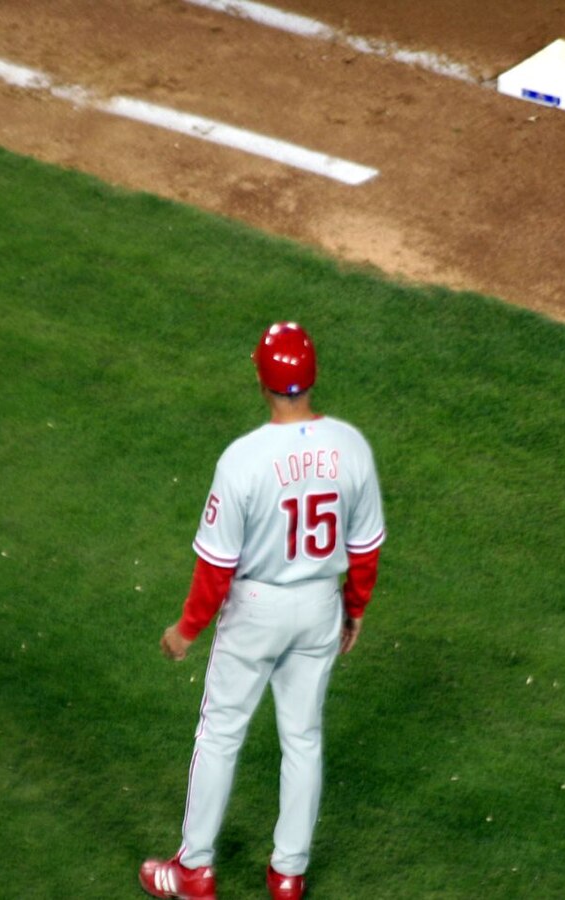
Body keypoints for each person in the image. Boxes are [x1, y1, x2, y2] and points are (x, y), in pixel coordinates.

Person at [139, 322, 386, 900]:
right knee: (303, 737)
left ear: (261, 380)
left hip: (256, 609)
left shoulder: (243, 460)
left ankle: (194, 869)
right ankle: (288, 874)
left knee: (221, 732)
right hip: (320, 607)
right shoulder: (351, 445)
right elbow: (366, 547)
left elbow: (217, 567)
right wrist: (354, 610)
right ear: (313, 376)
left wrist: (186, 629)